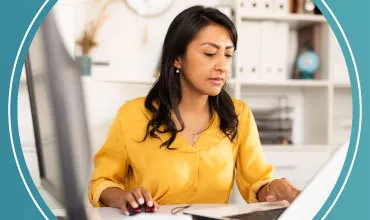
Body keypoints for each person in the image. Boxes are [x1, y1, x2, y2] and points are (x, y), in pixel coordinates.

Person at [88, 5, 301, 216]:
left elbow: (256, 182)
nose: (222, 66)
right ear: (177, 58)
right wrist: (123, 197)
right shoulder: (132, 114)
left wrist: (276, 188)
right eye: (209, 53)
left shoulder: (239, 115)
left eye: (228, 55)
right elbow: (102, 182)